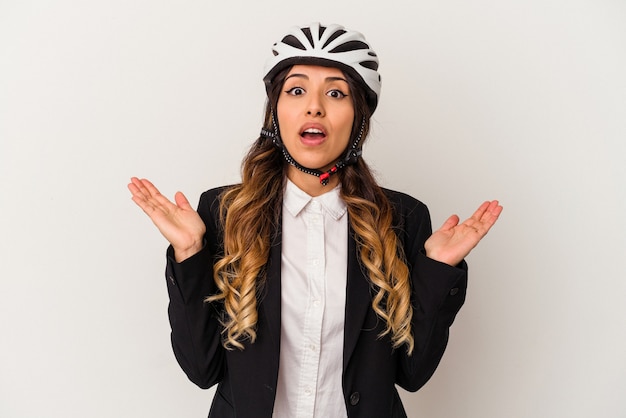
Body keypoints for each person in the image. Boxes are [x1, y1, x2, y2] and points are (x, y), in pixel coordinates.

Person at [128, 22, 502, 418]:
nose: (315, 106)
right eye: (297, 90)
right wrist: (189, 253)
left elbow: (412, 373)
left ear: (358, 117)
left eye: (336, 93)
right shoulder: (224, 213)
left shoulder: (403, 219)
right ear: (275, 111)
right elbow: (202, 370)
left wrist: (438, 271)